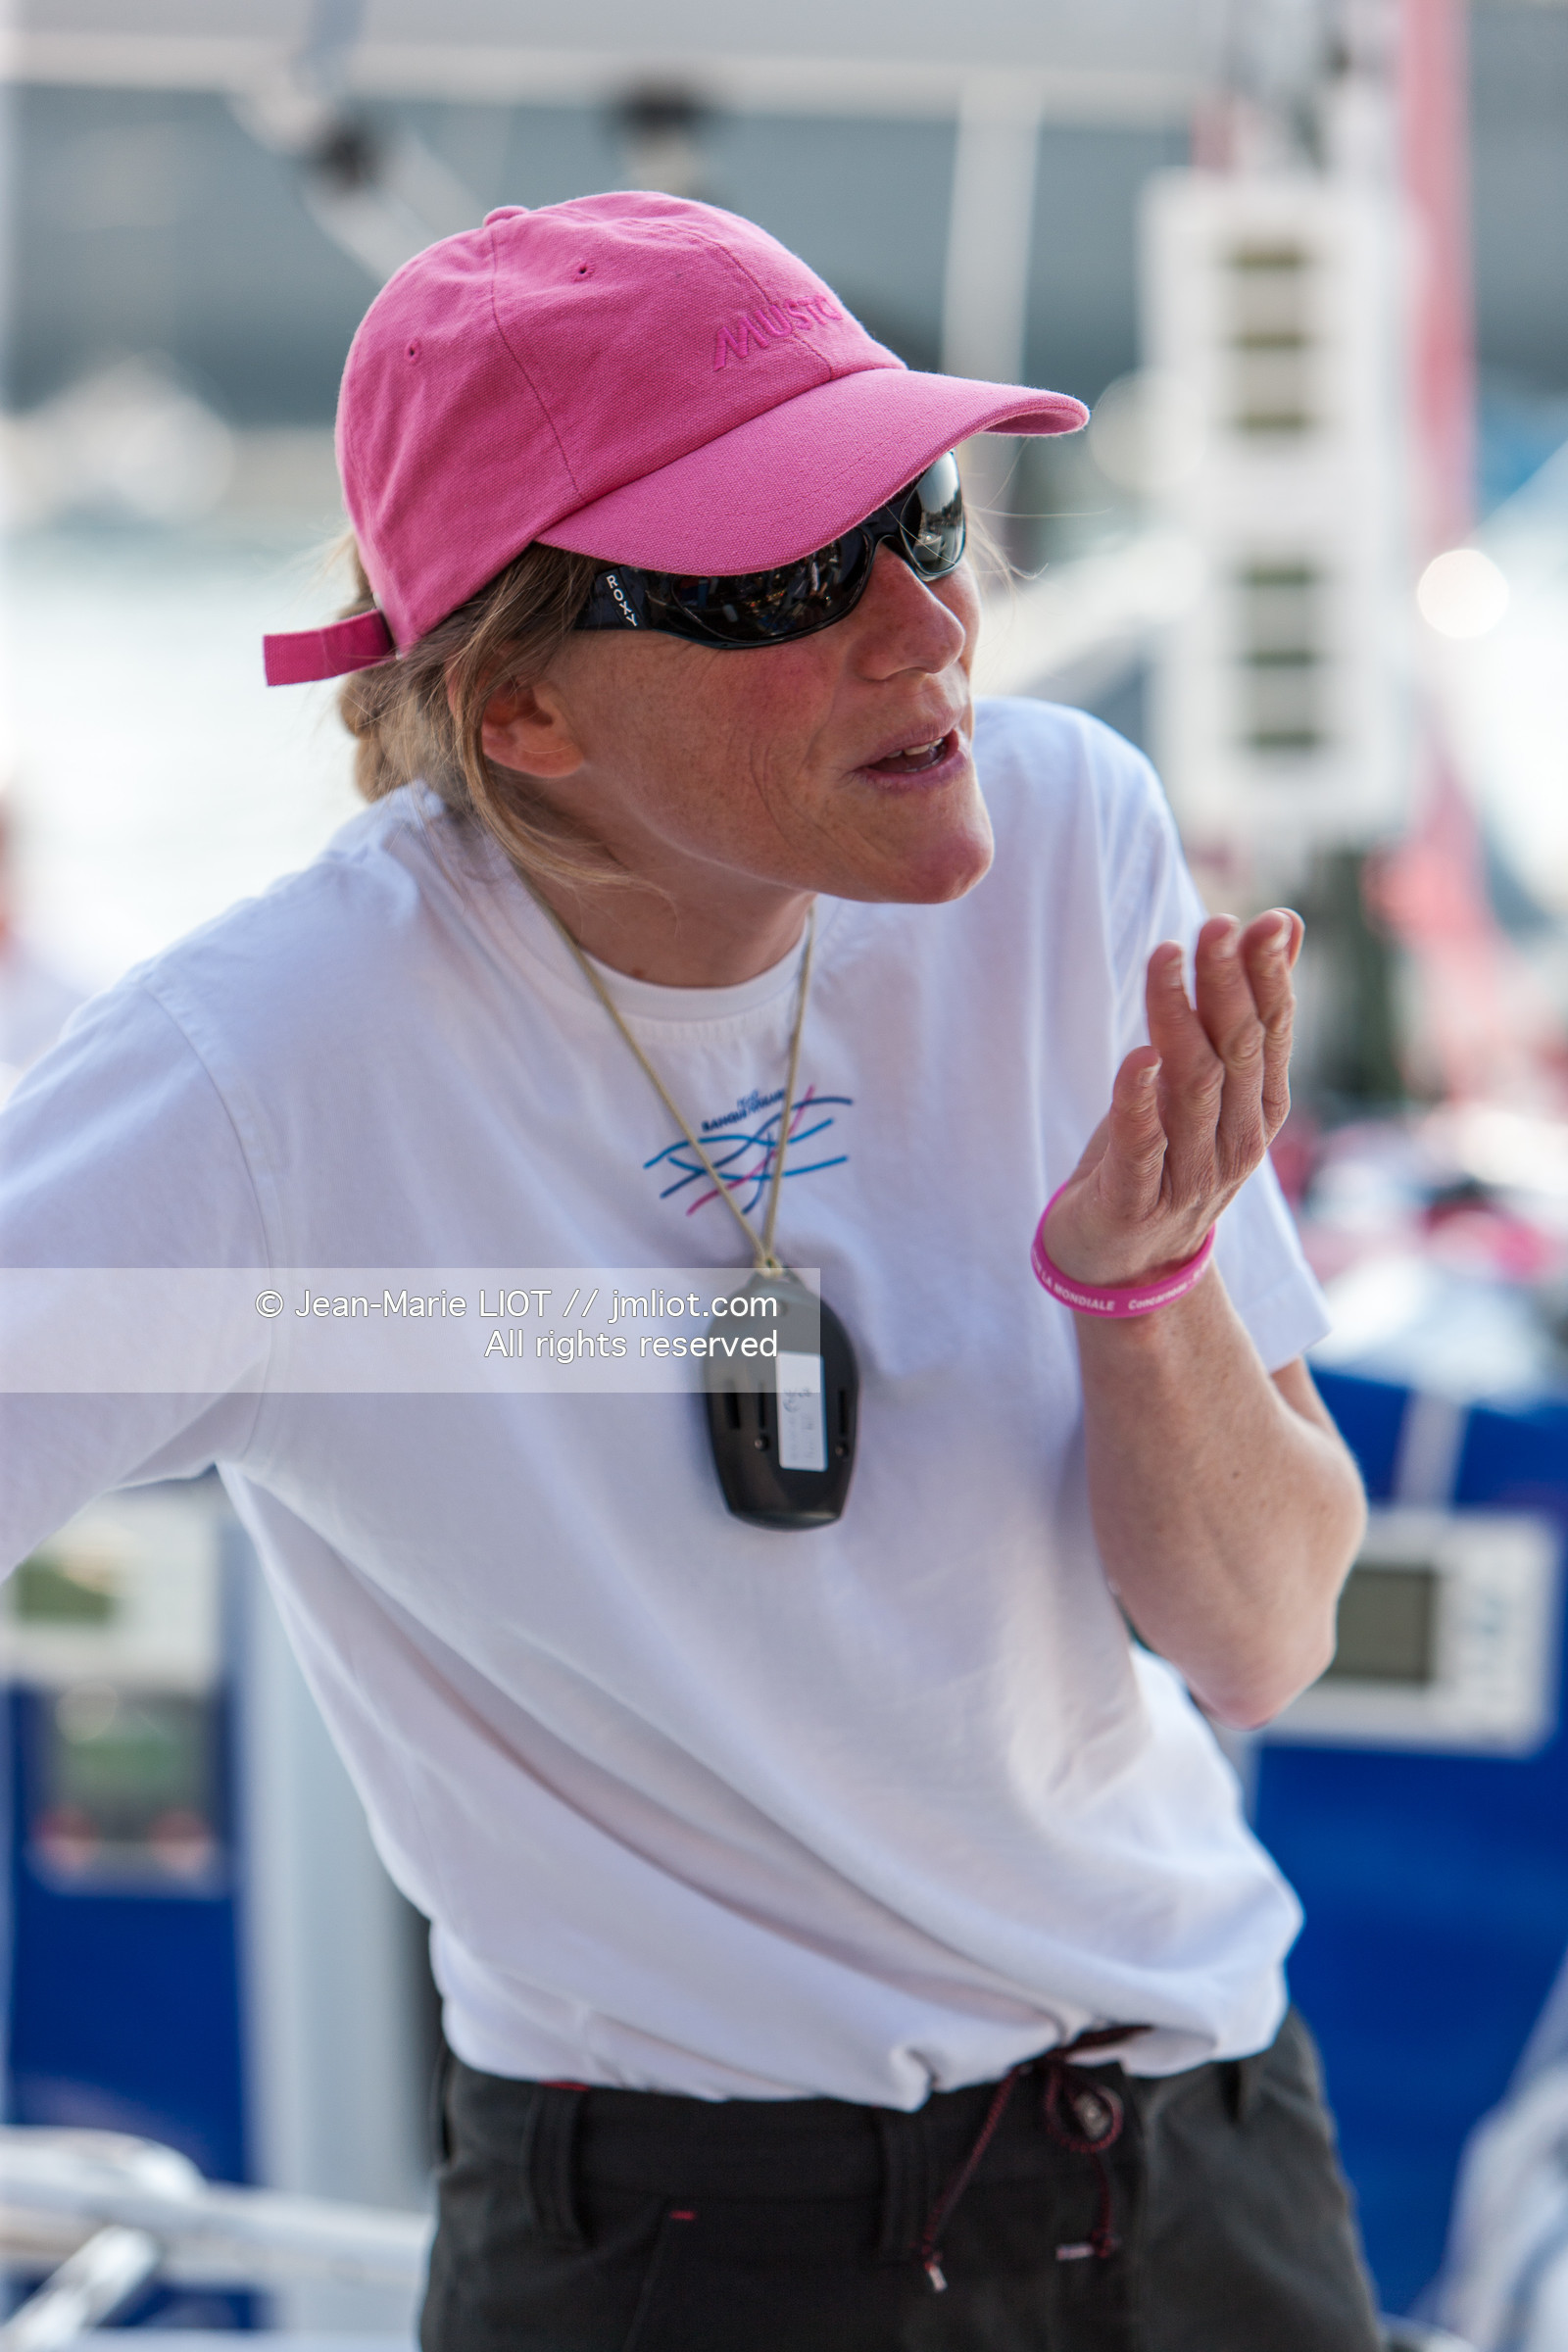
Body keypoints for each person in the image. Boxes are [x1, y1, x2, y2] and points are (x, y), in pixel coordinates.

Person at [0, 194, 1381, 2350]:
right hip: (685, 2244)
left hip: (1194, 2155)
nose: (924, 625)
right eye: (788, 575)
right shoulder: (270, 1072)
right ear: (523, 708)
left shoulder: (1065, 846)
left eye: (918, 515)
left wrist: (1142, 1286)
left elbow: (1265, 1636)